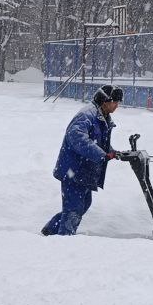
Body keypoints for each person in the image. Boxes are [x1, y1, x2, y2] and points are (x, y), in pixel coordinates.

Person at [41, 84, 123, 236]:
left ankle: (50, 230)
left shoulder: (101, 116)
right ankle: (64, 240)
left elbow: (97, 141)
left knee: (83, 204)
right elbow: (77, 138)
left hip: (83, 172)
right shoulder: (87, 115)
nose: (117, 105)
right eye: (115, 102)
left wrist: (113, 152)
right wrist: (102, 154)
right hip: (74, 171)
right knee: (74, 208)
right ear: (106, 101)